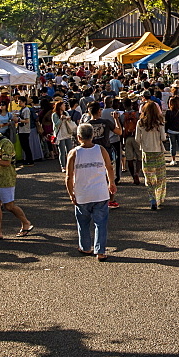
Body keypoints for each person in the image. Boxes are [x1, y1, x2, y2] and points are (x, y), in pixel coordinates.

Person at [66, 123, 116, 261]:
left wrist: (71, 193)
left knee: (83, 222)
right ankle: (100, 250)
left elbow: (69, 176)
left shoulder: (74, 153)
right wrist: (111, 182)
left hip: (82, 193)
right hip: (100, 192)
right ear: (92, 135)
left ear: (78, 137)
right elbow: (109, 167)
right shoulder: (100, 150)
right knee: (100, 223)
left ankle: (85, 247)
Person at [136, 101, 167, 210]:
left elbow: (137, 139)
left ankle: (152, 199)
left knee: (148, 177)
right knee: (160, 177)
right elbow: (163, 138)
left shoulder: (140, 123)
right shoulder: (160, 122)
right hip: (158, 151)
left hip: (146, 152)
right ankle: (159, 198)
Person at [53, 101, 78, 172]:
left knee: (70, 150)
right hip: (60, 135)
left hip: (67, 133)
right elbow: (56, 125)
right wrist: (61, 119)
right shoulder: (54, 115)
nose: (64, 106)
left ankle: (70, 164)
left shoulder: (66, 113)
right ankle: (63, 166)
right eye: (63, 105)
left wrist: (68, 119)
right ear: (59, 106)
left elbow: (70, 123)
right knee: (62, 151)